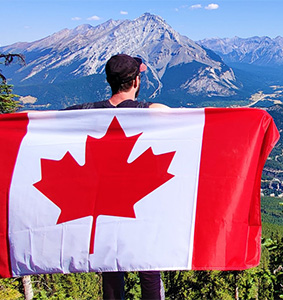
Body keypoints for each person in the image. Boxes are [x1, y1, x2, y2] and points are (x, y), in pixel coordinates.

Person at [63, 53, 166, 300]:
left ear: (109, 81)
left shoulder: (83, 113)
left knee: (110, 268)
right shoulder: (152, 112)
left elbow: (47, 124)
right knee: (149, 270)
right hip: (142, 204)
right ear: (136, 82)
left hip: (102, 204)